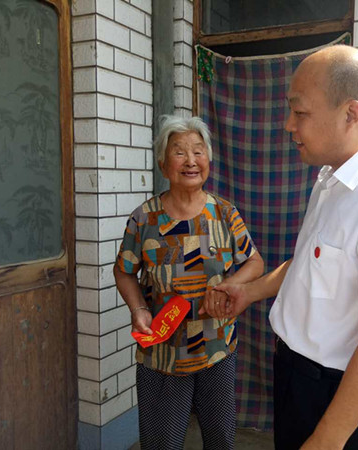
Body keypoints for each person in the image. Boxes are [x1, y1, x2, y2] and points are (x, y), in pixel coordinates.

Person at [204, 45, 358, 449]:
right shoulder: (330, 179)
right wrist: (250, 291)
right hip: (297, 377)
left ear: (350, 113)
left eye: (300, 112)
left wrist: (327, 440)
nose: (288, 125)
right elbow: (311, 263)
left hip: (339, 393)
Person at [113, 115, 264, 450]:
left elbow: (255, 262)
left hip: (217, 348)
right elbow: (123, 270)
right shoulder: (144, 218)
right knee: (161, 444)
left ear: (208, 160)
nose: (191, 160)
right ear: (163, 164)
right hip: (163, 354)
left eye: (198, 151)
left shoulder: (225, 214)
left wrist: (229, 286)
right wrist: (138, 309)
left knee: (220, 441)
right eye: (179, 152)